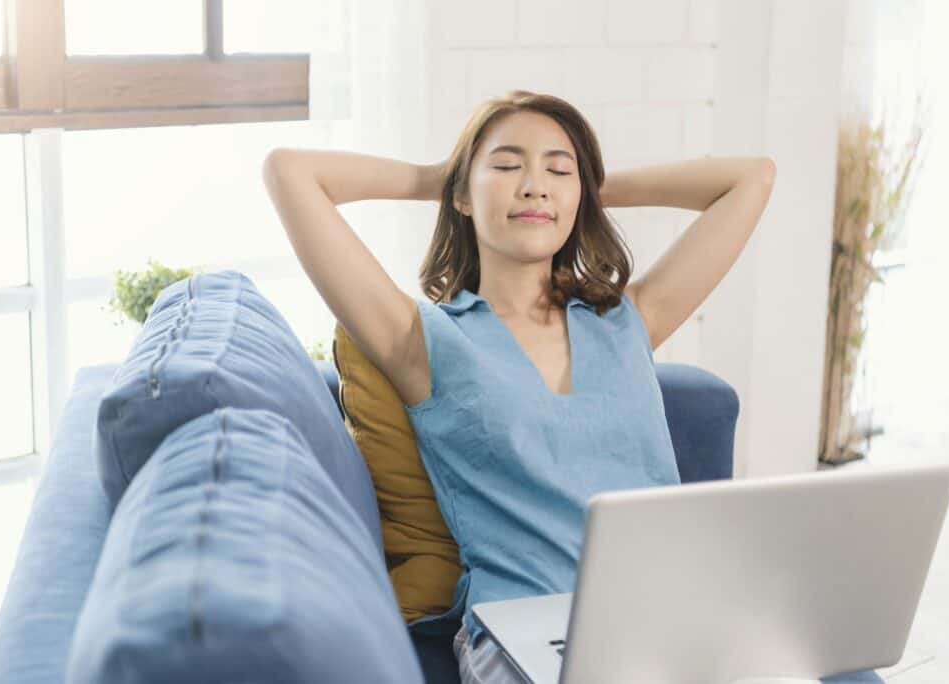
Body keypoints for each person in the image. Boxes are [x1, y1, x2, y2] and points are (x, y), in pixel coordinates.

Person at [262, 90, 871, 684]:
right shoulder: (419, 340)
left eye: (559, 169)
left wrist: (583, 190)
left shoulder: (630, 319)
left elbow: (752, 179)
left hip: (668, 614)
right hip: (523, 629)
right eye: (506, 165)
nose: (534, 184)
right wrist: (444, 179)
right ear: (464, 196)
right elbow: (290, 172)